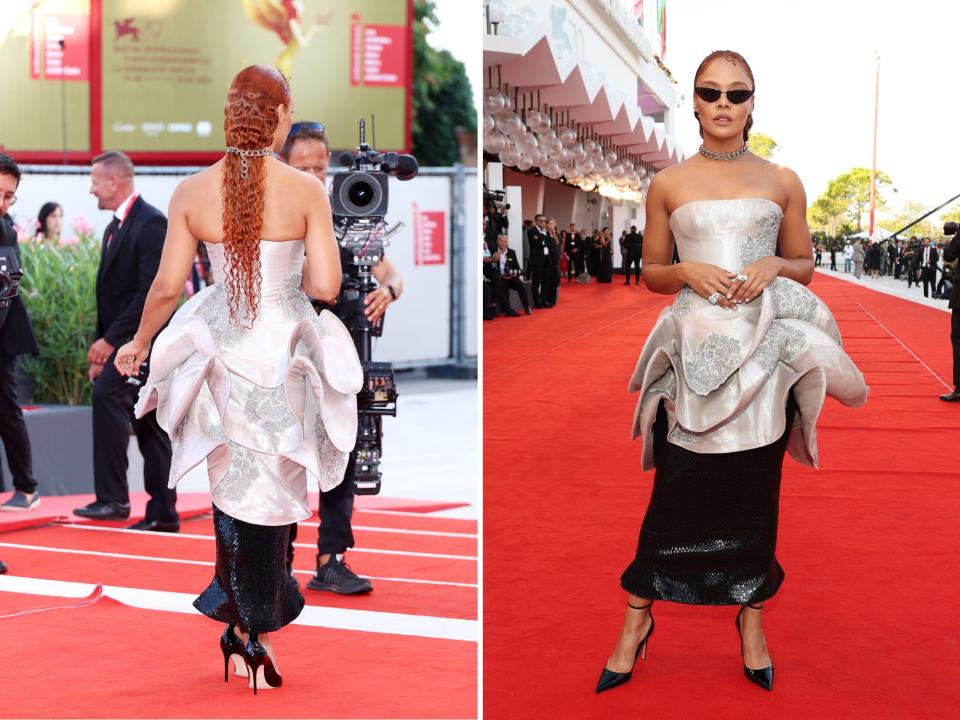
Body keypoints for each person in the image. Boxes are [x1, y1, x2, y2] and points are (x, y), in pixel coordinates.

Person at [597, 50, 868, 695]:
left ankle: (752, 620)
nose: (723, 104)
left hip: (765, 348)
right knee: (678, 485)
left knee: (754, 486)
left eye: (736, 94)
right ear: (692, 101)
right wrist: (687, 271)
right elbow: (653, 274)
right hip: (693, 345)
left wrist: (773, 267)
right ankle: (637, 618)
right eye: (710, 92)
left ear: (753, 103)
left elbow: (802, 261)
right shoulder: (667, 182)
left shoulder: (783, 179)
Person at [114, 65, 362, 692]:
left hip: (220, 347)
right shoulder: (306, 191)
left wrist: (139, 344)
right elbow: (327, 288)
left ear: (231, 117)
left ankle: (240, 623)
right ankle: (255, 624)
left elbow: (169, 288)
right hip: (282, 350)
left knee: (233, 489)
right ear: (279, 118)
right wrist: (292, 271)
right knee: (275, 490)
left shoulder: (192, 191)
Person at [280, 119, 403, 594]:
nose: (314, 175)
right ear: (284, 164)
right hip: (288, 350)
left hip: (347, 349)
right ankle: (280, 558)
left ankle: (332, 558)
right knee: (287, 453)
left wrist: (389, 290)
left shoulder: (354, 215)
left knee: (341, 454)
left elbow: (390, 271)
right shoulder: (276, 219)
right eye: (303, 166)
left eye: (320, 165)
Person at [72, 151, 178, 530]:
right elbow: (111, 295)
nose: (91, 189)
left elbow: (150, 291)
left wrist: (113, 342)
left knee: (113, 400)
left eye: (94, 182)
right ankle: (162, 512)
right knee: (148, 421)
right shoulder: (115, 226)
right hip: (123, 344)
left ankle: (116, 500)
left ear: (113, 182)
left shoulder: (151, 223)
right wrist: (103, 345)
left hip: (144, 343)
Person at [0, 154, 41, 513]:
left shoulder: (5, 228)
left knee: (6, 408)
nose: (2, 202)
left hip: (3, 335)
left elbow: (8, 285)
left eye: (9, 196)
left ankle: (26, 487)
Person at [492, 234, 531, 314]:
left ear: (507, 243)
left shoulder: (512, 252)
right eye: (501, 241)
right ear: (497, 242)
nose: (503, 243)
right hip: (499, 277)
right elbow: (491, 267)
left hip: (510, 277)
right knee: (502, 284)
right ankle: (508, 310)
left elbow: (517, 267)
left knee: (520, 285)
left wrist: (512, 275)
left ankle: (527, 307)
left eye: (505, 242)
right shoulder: (493, 252)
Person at [527, 214, 550, 308]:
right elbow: (537, 243)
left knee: (545, 281)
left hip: (546, 259)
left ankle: (544, 300)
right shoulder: (532, 231)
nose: (543, 223)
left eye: (544, 221)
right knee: (536, 282)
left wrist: (544, 238)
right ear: (536, 221)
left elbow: (549, 243)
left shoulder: (546, 232)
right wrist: (543, 236)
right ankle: (537, 302)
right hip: (536, 261)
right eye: (541, 221)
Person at [544, 217, 562, 306]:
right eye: (550, 223)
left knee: (556, 279)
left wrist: (560, 255)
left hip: (556, 260)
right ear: (546, 225)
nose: (552, 225)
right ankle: (547, 300)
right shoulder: (545, 234)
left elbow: (559, 244)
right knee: (548, 280)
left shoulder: (557, 235)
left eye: (553, 223)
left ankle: (552, 300)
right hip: (548, 260)